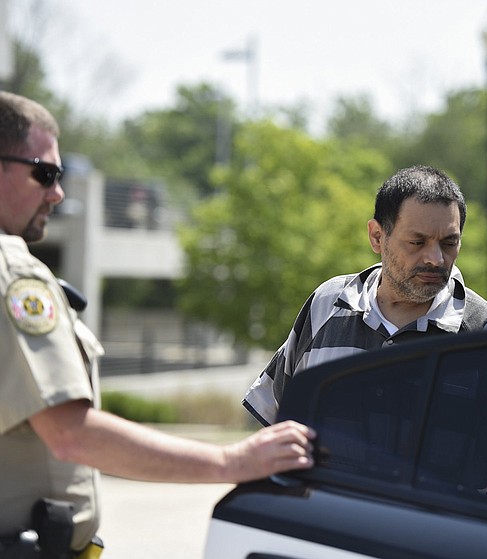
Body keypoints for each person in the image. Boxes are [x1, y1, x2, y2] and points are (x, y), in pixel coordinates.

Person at [0, 91, 315, 558]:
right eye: (44, 173)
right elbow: (70, 433)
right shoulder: (14, 271)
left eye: (60, 176)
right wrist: (232, 460)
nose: (58, 192)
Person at [243, 165, 487, 427]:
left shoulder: (485, 330)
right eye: (417, 242)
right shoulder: (327, 304)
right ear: (377, 236)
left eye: (449, 243)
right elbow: (273, 422)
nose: (435, 259)